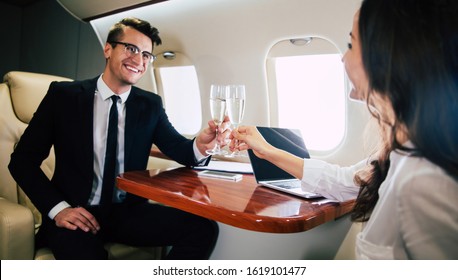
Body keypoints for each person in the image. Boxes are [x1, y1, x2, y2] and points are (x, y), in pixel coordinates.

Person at [231, 0, 458, 259]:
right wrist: (268, 151)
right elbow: (344, 181)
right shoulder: (404, 150)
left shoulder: (424, 182)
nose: (343, 57)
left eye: (351, 45)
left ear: (386, 59)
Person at [8, 17, 225, 260]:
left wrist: (203, 146)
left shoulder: (150, 105)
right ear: (108, 49)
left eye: (146, 55)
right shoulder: (64, 96)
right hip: (76, 211)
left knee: (203, 228)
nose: (139, 60)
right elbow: (22, 161)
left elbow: (181, 149)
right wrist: (59, 209)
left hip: (127, 213)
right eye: (131, 49)